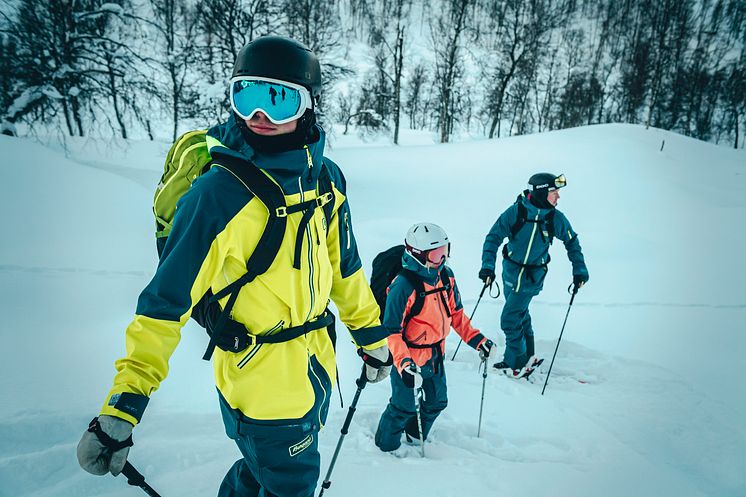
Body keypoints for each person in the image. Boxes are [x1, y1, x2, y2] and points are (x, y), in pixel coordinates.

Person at [76, 36, 392, 497]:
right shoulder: (218, 196)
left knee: (259, 472)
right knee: (291, 484)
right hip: (260, 386)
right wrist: (123, 406)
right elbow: (164, 307)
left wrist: (370, 337)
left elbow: (344, 269)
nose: (257, 116)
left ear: (307, 107)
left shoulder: (326, 180)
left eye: (277, 100)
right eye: (245, 95)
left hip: (316, 371)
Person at [374, 222, 494, 452]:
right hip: (408, 357)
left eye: (446, 251)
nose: (444, 259)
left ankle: (414, 434)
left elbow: (456, 315)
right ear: (418, 255)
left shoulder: (446, 277)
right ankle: (385, 448)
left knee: (438, 401)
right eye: (437, 254)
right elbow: (391, 331)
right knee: (403, 406)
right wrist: (404, 364)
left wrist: (477, 340)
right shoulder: (402, 286)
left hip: (436, 353)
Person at [479, 173, 588, 378]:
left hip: (532, 277)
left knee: (509, 319)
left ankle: (515, 363)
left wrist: (579, 270)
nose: (558, 197)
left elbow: (572, 242)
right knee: (520, 314)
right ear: (540, 192)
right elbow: (493, 238)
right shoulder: (516, 211)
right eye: (554, 192)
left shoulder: (555, 218)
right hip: (510, 272)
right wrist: (487, 267)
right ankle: (529, 355)